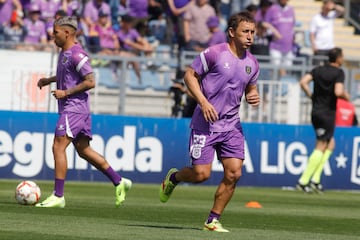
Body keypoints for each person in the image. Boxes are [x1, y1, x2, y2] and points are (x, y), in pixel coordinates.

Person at [159, 11, 260, 232]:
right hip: (206, 124)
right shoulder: (215, 53)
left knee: (234, 173)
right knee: (200, 175)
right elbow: (189, 75)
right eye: (246, 31)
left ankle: (212, 220)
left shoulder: (253, 63)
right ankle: (174, 178)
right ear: (232, 33)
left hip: (232, 125)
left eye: (253, 32)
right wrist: (203, 102)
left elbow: (250, 87)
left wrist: (253, 95)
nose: (250, 36)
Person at [35, 16, 132, 208]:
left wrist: (66, 92)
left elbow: (90, 81)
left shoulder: (78, 54)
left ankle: (58, 195)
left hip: (74, 108)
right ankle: (119, 181)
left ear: (67, 32)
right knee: (84, 150)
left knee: (58, 146)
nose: (52, 36)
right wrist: (49, 80)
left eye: (55, 32)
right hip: (75, 109)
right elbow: (68, 74)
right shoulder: (65, 53)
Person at [296, 47, 350, 194]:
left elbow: (303, 82)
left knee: (330, 144)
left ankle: (315, 179)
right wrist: (346, 95)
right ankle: (303, 181)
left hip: (316, 111)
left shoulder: (317, 69)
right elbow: (338, 92)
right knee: (321, 145)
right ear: (338, 58)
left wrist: (311, 95)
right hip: (326, 113)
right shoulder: (339, 73)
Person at [264, 0, 295, 76]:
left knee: (287, 73)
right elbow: (265, 24)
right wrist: (273, 33)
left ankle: (284, 88)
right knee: (275, 71)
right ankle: (274, 88)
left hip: (288, 47)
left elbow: (292, 26)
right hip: (275, 47)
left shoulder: (291, 9)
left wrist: (293, 37)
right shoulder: (272, 9)